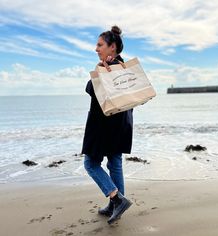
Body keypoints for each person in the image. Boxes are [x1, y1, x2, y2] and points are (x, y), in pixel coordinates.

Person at [81, 25, 133, 224]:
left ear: (113, 47)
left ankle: (116, 198)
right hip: (121, 121)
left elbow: (90, 89)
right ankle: (116, 205)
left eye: (100, 44)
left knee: (91, 163)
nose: (96, 48)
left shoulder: (108, 68)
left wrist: (99, 69)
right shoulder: (124, 67)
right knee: (114, 160)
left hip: (104, 123)